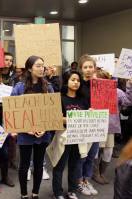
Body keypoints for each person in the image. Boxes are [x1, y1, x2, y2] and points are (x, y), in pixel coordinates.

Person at [11, 55, 54, 199]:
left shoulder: (48, 87)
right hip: (25, 135)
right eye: (38, 65)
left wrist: (45, 128)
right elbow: (12, 111)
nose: (42, 68)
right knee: (24, 165)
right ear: (29, 68)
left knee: (38, 165)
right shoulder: (19, 87)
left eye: (43, 65)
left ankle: (35, 193)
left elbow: (52, 112)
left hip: (43, 134)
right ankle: (23, 194)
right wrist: (25, 128)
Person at [50, 71, 87, 199]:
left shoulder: (83, 99)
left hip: (78, 136)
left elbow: (87, 116)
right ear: (66, 81)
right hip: (63, 136)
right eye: (73, 80)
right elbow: (56, 118)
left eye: (78, 80)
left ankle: (72, 190)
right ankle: (58, 193)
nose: (76, 82)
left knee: (75, 165)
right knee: (59, 165)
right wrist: (71, 119)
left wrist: (90, 114)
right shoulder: (59, 98)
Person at [92, 69, 132, 185]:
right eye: (94, 79)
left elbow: (128, 102)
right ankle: (95, 174)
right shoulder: (90, 91)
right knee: (95, 151)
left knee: (108, 151)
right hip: (95, 125)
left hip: (110, 126)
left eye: (99, 79)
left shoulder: (117, 92)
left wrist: (129, 86)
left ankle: (102, 172)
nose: (96, 81)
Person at [76, 55, 98, 196]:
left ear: (94, 68)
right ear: (81, 69)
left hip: (97, 124)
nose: (88, 70)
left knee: (92, 155)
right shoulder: (78, 85)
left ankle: (86, 180)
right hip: (83, 125)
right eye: (85, 67)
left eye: (91, 67)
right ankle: (78, 183)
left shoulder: (99, 85)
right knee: (81, 156)